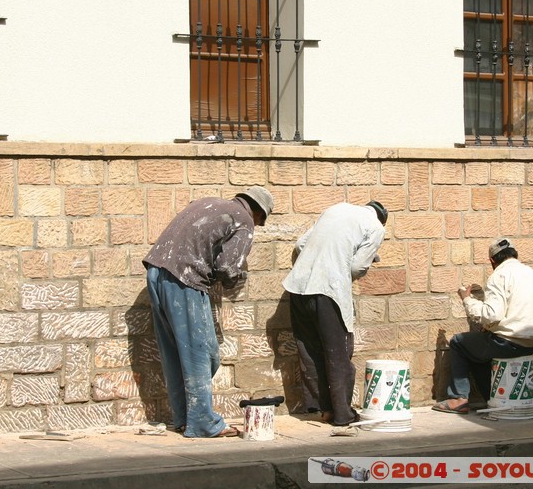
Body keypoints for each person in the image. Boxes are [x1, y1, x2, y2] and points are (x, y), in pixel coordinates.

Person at [143, 186, 274, 437]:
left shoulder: (209, 202)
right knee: (203, 354)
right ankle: (203, 422)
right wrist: (236, 279)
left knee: (174, 352)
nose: (257, 225)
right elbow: (228, 267)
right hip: (184, 277)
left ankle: (184, 418)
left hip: (156, 270)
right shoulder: (244, 219)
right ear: (257, 212)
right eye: (261, 221)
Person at [282, 200, 388, 426]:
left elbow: (301, 245)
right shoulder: (377, 227)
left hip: (298, 287)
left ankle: (324, 409)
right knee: (338, 352)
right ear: (381, 218)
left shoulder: (334, 209)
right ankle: (342, 414)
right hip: (328, 290)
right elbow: (357, 267)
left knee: (310, 350)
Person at [433, 238, 533, 414]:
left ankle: (458, 399)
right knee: (476, 350)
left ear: (492, 261)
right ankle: (492, 397)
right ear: (515, 255)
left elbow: (492, 315)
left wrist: (467, 299)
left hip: (507, 343)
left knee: (459, 342)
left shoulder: (499, 276)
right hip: (532, 344)